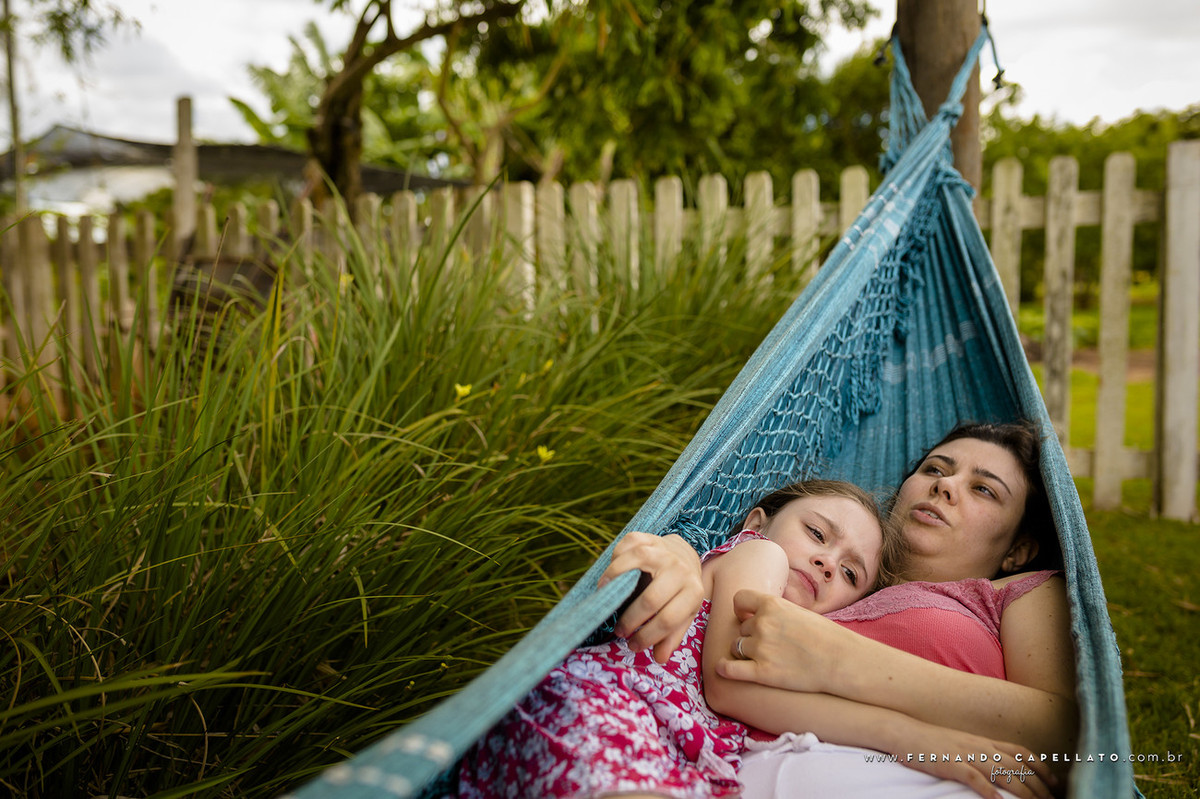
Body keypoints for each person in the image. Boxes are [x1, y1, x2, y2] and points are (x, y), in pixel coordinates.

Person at [608, 420, 1075, 799]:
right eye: (935, 469)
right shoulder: (818, 586)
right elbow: (733, 583)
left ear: (1019, 549)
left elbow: (1069, 735)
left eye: (984, 490)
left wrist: (836, 658)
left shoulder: (1017, 593)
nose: (946, 486)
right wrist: (681, 551)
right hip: (712, 765)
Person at [455, 479, 902, 799]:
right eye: (818, 534)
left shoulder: (800, 649)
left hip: (670, 756)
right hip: (613, 706)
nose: (827, 562)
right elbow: (730, 681)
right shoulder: (761, 554)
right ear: (757, 523)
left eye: (849, 573)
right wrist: (912, 739)